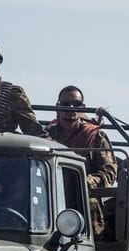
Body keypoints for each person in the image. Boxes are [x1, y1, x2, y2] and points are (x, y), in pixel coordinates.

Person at [47, 85, 117, 240]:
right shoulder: (46, 137)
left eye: (76, 104)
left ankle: (90, 245)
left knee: (90, 205)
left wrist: (84, 181)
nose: (70, 108)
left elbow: (110, 172)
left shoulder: (95, 136)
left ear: (82, 108)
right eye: (66, 104)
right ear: (58, 106)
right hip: (49, 197)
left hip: (83, 198)